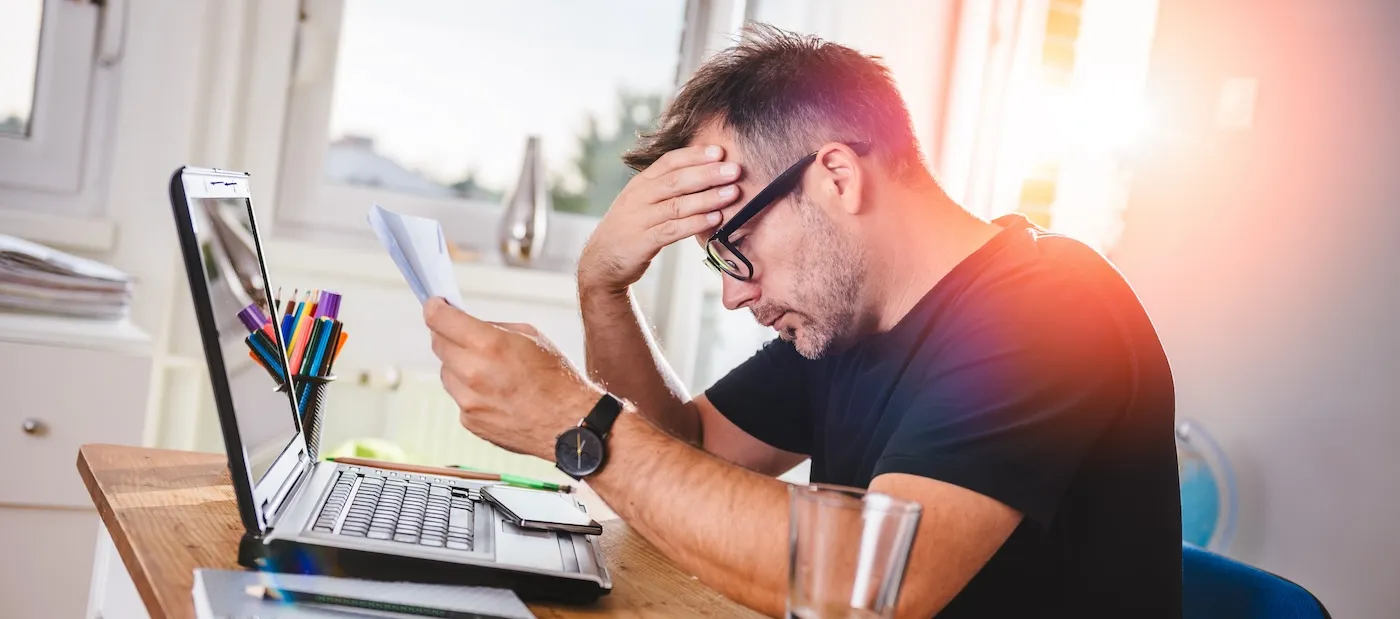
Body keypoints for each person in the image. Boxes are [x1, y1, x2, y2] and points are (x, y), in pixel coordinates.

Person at [424, 25, 1181, 618]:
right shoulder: (848, 321)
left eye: (736, 248)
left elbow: (874, 578)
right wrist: (603, 287)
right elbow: (686, 454)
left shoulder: (1049, 308)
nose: (732, 296)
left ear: (837, 177)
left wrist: (574, 422)